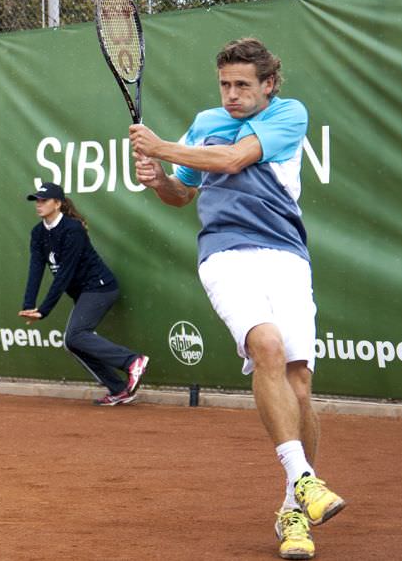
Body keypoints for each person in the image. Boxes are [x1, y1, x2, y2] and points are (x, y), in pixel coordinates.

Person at [129, 38, 344, 559]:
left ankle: (294, 514)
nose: (231, 95)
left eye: (243, 85)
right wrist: (160, 179)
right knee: (266, 345)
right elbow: (182, 195)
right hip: (225, 254)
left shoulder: (290, 114)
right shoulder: (204, 122)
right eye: (225, 84)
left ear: (268, 84)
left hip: (287, 257)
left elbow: (231, 160)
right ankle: (305, 480)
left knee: (300, 385)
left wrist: (160, 149)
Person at [19, 181, 149, 406]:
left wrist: (44, 310)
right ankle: (119, 389)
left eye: (44, 200)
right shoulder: (38, 233)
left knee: (75, 336)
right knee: (72, 342)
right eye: (36, 201)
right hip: (83, 292)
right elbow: (36, 268)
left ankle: (132, 361)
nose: (38, 205)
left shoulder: (73, 229)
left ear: (57, 203)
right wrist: (29, 305)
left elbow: (64, 275)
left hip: (100, 288)